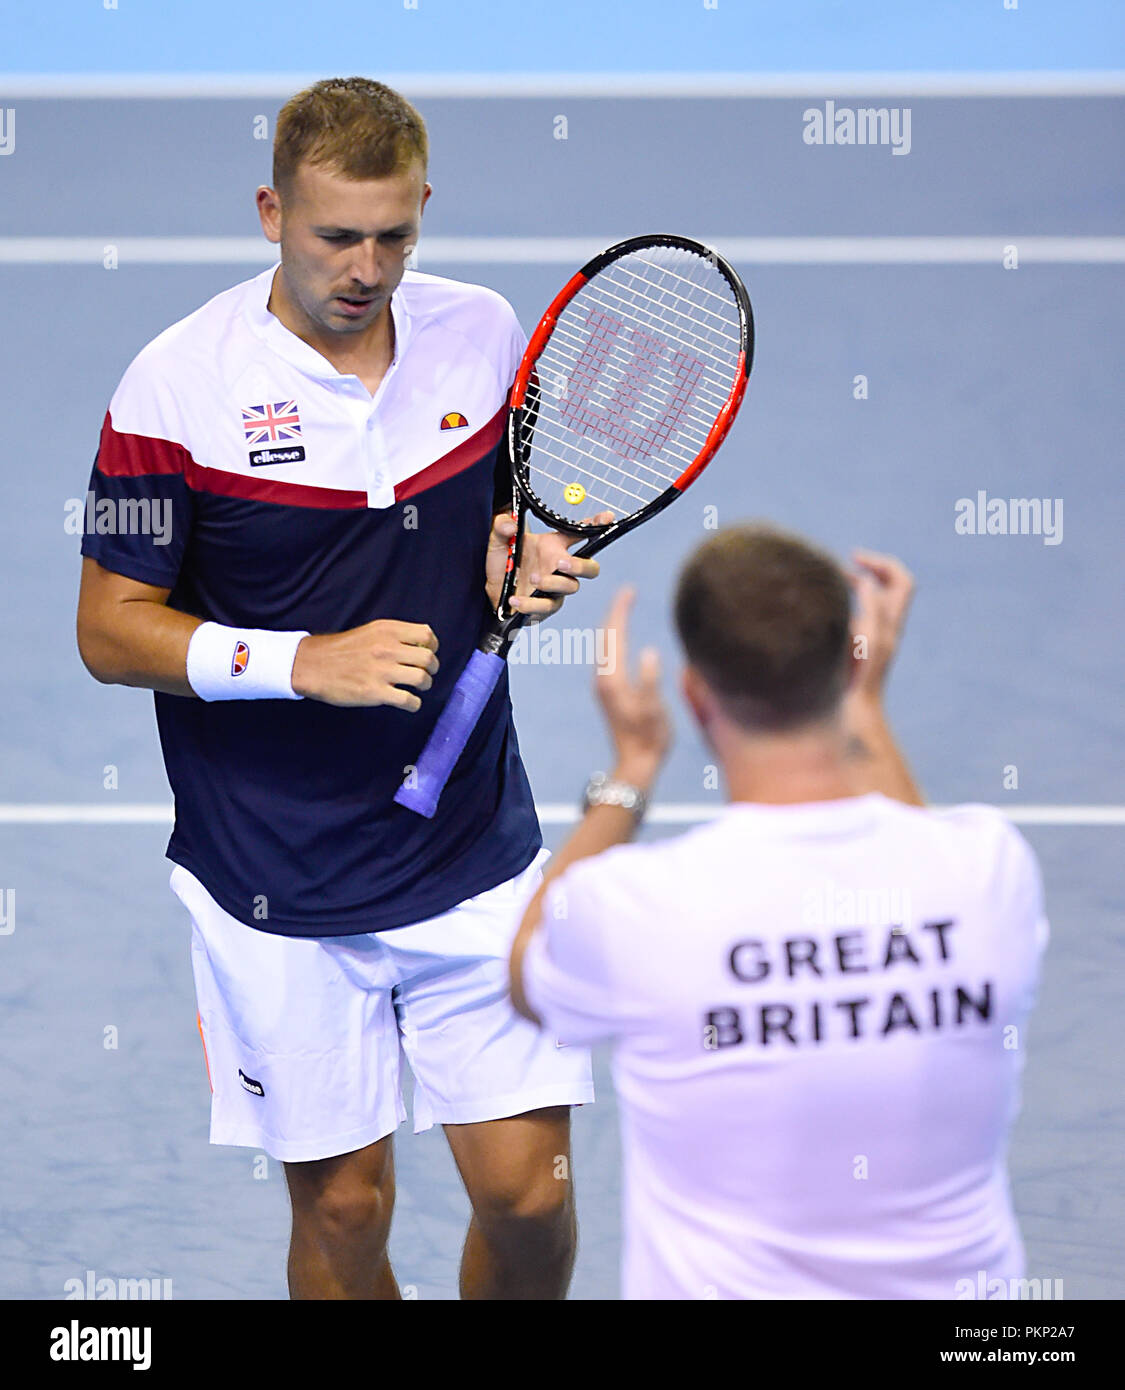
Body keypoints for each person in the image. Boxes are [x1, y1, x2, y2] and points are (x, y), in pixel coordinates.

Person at [76, 76, 607, 1301]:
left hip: (469, 843)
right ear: (271, 211)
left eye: (395, 233)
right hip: (274, 867)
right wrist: (300, 662)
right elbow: (110, 631)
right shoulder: (172, 389)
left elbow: (497, 513)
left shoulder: (481, 329)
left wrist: (512, 546)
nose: (367, 266)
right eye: (335, 236)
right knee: (346, 1210)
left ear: (424, 209)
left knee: (532, 1200)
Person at [511, 525, 1048, 1300]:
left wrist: (628, 772)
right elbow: (911, 846)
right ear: (849, 662)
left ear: (693, 693)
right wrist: (865, 699)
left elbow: (527, 972)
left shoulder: (637, 908)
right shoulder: (987, 869)